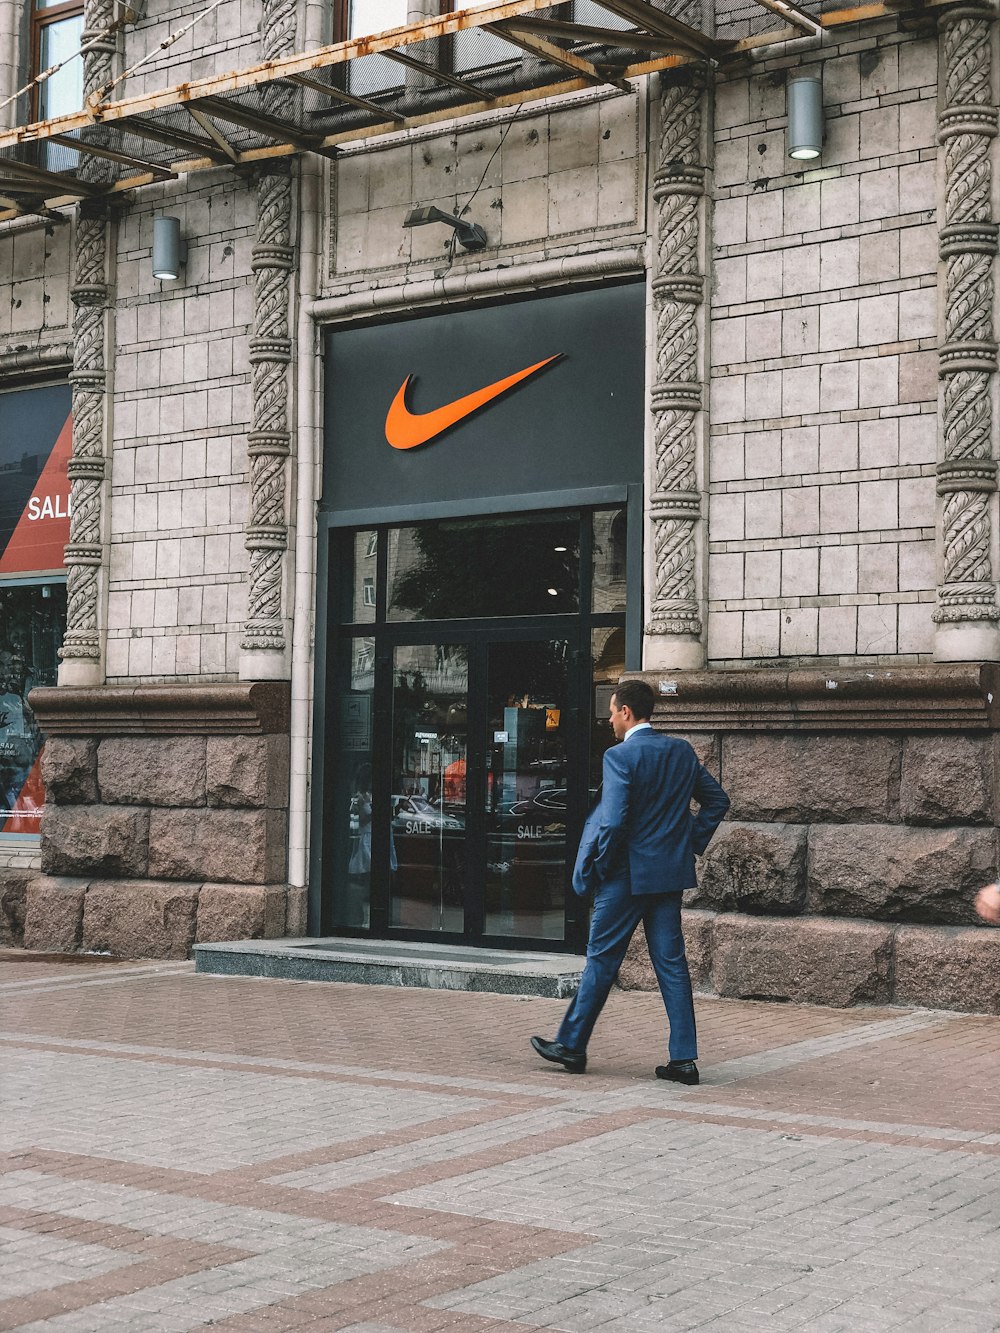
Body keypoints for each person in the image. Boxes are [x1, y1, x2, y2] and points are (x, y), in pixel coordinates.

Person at [531, 679, 729, 1084]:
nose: (608, 719)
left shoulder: (619, 756)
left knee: (601, 961)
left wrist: (600, 866)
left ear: (625, 712)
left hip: (624, 877)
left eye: (611, 711)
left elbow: (615, 820)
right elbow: (717, 800)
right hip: (667, 876)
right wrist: (688, 843)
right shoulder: (681, 751)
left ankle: (571, 1045)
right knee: (672, 966)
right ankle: (683, 1060)